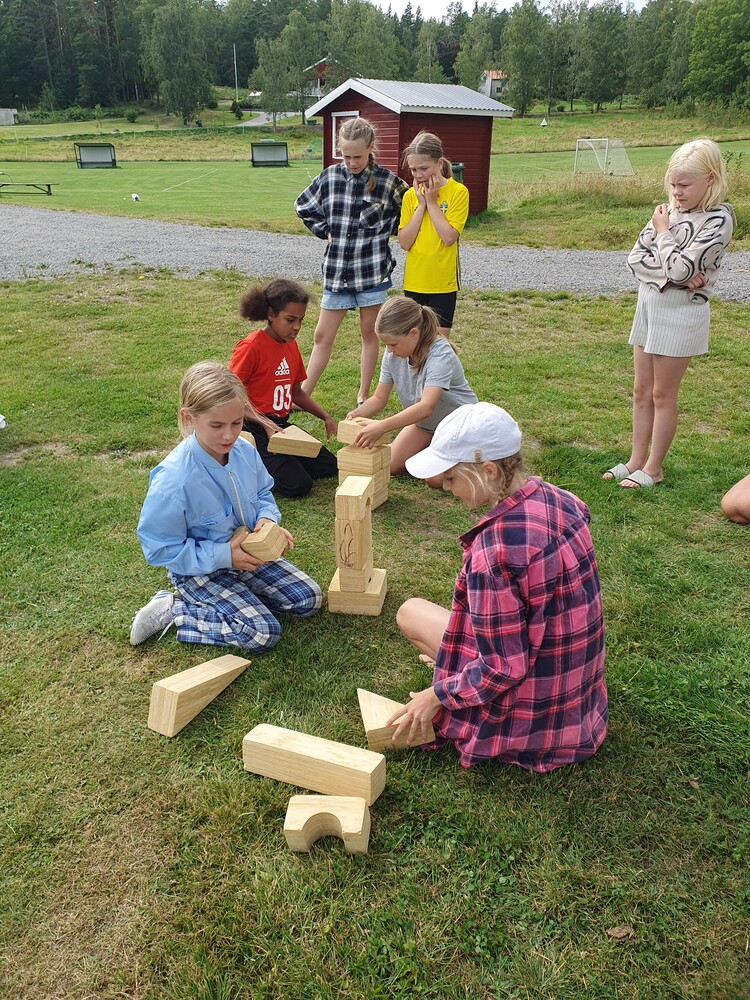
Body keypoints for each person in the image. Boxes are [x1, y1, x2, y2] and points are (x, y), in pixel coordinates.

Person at [387, 402, 608, 773]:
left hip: (534, 710)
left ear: (488, 471)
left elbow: (504, 667)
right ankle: (458, 672)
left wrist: (436, 695)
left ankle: (462, 687)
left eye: (451, 479)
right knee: (441, 631)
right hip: (574, 690)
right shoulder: (564, 500)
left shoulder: (493, 553)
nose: (446, 488)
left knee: (410, 612)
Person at [130, 362, 322, 648]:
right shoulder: (174, 481)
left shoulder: (244, 451)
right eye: (217, 426)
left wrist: (267, 520)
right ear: (189, 418)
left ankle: (234, 596)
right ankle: (174, 609)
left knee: (308, 599)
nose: (229, 435)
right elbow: (160, 548)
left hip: (247, 554)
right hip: (198, 570)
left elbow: (263, 492)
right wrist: (224, 556)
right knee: (261, 632)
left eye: (236, 422)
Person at [603, 137, 735, 489]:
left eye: (684, 185)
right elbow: (635, 260)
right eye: (673, 184)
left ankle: (654, 468)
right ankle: (635, 460)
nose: (676, 192)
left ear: (710, 178)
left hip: (681, 314)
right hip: (648, 307)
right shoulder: (668, 211)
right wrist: (675, 275)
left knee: (663, 394)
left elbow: (680, 268)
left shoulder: (718, 219)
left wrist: (663, 237)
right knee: (641, 390)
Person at [294, 116, 408, 405]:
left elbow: (410, 211)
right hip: (337, 273)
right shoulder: (329, 178)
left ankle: (363, 395)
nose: (351, 162)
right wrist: (324, 230)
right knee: (321, 336)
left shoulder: (389, 183)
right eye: (346, 156)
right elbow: (303, 205)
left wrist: (395, 230)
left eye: (357, 156)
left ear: (371, 148)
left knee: (370, 334)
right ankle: (303, 395)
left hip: (371, 273)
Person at [345, 296, 477, 485]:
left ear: (414, 333)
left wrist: (382, 426)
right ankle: (435, 449)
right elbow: (379, 398)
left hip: (459, 427)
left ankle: (471, 454)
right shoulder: (393, 353)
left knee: (434, 479)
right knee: (391, 464)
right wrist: (355, 415)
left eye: (393, 344)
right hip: (425, 426)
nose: (389, 350)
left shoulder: (440, 354)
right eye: (386, 345)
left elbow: (426, 406)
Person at [228, 279, 337, 499]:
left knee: (329, 467)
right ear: (271, 314)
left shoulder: (291, 346)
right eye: (290, 320)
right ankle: (246, 460)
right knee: (298, 486)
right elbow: (230, 397)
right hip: (252, 426)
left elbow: (296, 393)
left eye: (300, 320)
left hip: (278, 424)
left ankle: (283, 459)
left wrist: (324, 416)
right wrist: (265, 423)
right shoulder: (251, 346)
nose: (296, 327)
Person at [398, 131, 469, 338]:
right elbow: (404, 242)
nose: (418, 175)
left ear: (439, 163)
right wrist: (421, 205)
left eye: (424, 168)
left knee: (438, 344)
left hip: (442, 283)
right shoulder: (410, 196)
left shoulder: (458, 192)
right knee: (413, 341)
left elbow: (449, 237)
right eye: (413, 169)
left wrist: (431, 202)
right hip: (414, 281)